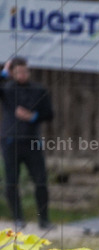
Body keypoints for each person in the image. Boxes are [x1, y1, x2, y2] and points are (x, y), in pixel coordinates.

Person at [0, 57, 53, 229]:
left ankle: (43, 220)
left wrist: (34, 116)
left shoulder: (39, 90)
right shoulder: (7, 90)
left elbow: (49, 114)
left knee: (40, 181)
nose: (22, 75)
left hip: (32, 141)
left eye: (25, 71)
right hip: (10, 141)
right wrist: (3, 72)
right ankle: (18, 218)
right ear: (13, 73)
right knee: (12, 181)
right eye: (18, 72)